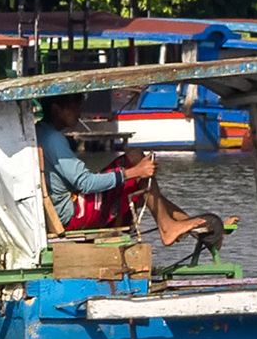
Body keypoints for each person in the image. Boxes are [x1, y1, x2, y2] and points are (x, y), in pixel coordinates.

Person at [39, 94, 223, 252]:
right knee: (135, 158)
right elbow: (85, 183)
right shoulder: (53, 138)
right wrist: (134, 172)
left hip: (65, 210)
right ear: (56, 109)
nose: (79, 111)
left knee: (143, 192)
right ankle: (170, 227)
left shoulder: (41, 132)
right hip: (73, 216)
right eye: (74, 106)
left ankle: (196, 225)